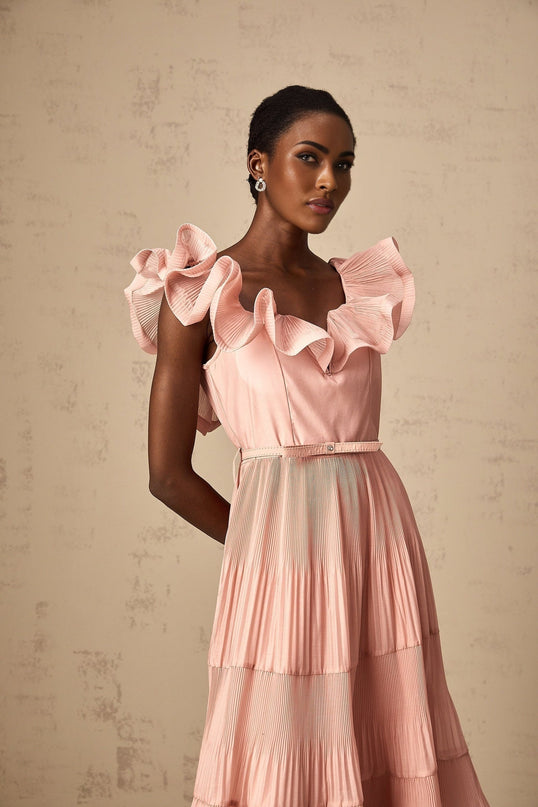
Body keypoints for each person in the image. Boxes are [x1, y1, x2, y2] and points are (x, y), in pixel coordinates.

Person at [125, 86, 490, 807]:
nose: (331, 181)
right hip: (277, 557)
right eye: (310, 158)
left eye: (345, 163)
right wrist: (265, 550)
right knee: (281, 752)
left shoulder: (355, 285)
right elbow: (166, 474)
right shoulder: (199, 292)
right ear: (259, 164)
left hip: (378, 543)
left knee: (387, 727)